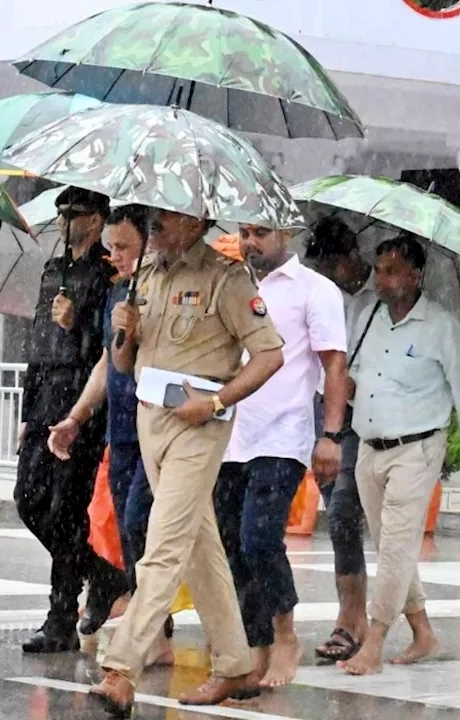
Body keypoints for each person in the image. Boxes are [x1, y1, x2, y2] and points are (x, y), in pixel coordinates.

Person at [89, 209, 285, 716]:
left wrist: (218, 404)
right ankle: (234, 662)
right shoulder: (146, 275)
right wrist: (123, 335)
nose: (154, 223)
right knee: (199, 544)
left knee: (164, 541)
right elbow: (126, 363)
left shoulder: (227, 280)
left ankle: (121, 667)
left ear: (196, 222)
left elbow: (269, 356)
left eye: (167, 216)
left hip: (199, 424)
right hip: (149, 422)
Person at [339, 233, 460, 676]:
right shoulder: (365, 314)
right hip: (369, 447)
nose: (381, 279)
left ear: (415, 275)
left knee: (395, 547)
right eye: (379, 269)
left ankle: (374, 641)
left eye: (391, 271)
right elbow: (344, 375)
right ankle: (423, 632)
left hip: (418, 448)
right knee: (391, 545)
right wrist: (343, 392)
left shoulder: (443, 328)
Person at [214, 222, 348, 689]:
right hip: (228, 435)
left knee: (259, 540)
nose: (251, 242)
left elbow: (334, 365)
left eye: (262, 232)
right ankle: (256, 646)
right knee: (231, 545)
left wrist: (330, 434)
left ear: (287, 233)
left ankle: (285, 634)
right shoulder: (229, 282)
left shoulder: (317, 291)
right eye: (245, 232)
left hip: (283, 435)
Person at [47, 204, 174, 663]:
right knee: (128, 531)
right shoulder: (119, 292)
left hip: (157, 428)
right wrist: (77, 417)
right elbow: (107, 361)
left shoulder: (161, 290)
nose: (115, 255)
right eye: (112, 246)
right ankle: (153, 623)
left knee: (143, 521)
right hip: (120, 429)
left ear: (149, 243)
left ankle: (154, 628)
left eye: (124, 247)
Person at [15, 187, 127, 653]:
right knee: (28, 500)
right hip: (46, 397)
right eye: (60, 212)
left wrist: (75, 321)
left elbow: (108, 348)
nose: (64, 220)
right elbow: (37, 343)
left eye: (75, 213)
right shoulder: (52, 269)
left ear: (97, 220)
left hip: (81, 400)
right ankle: (103, 576)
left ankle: (60, 615)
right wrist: (27, 411)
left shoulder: (107, 274)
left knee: (66, 511)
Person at [302, 217, 374, 663]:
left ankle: (351, 620)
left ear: (349, 260)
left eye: (331, 269)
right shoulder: (317, 294)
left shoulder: (375, 303)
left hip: (361, 416)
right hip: (319, 409)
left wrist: (355, 381)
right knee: (339, 513)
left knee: (346, 511)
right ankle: (368, 615)